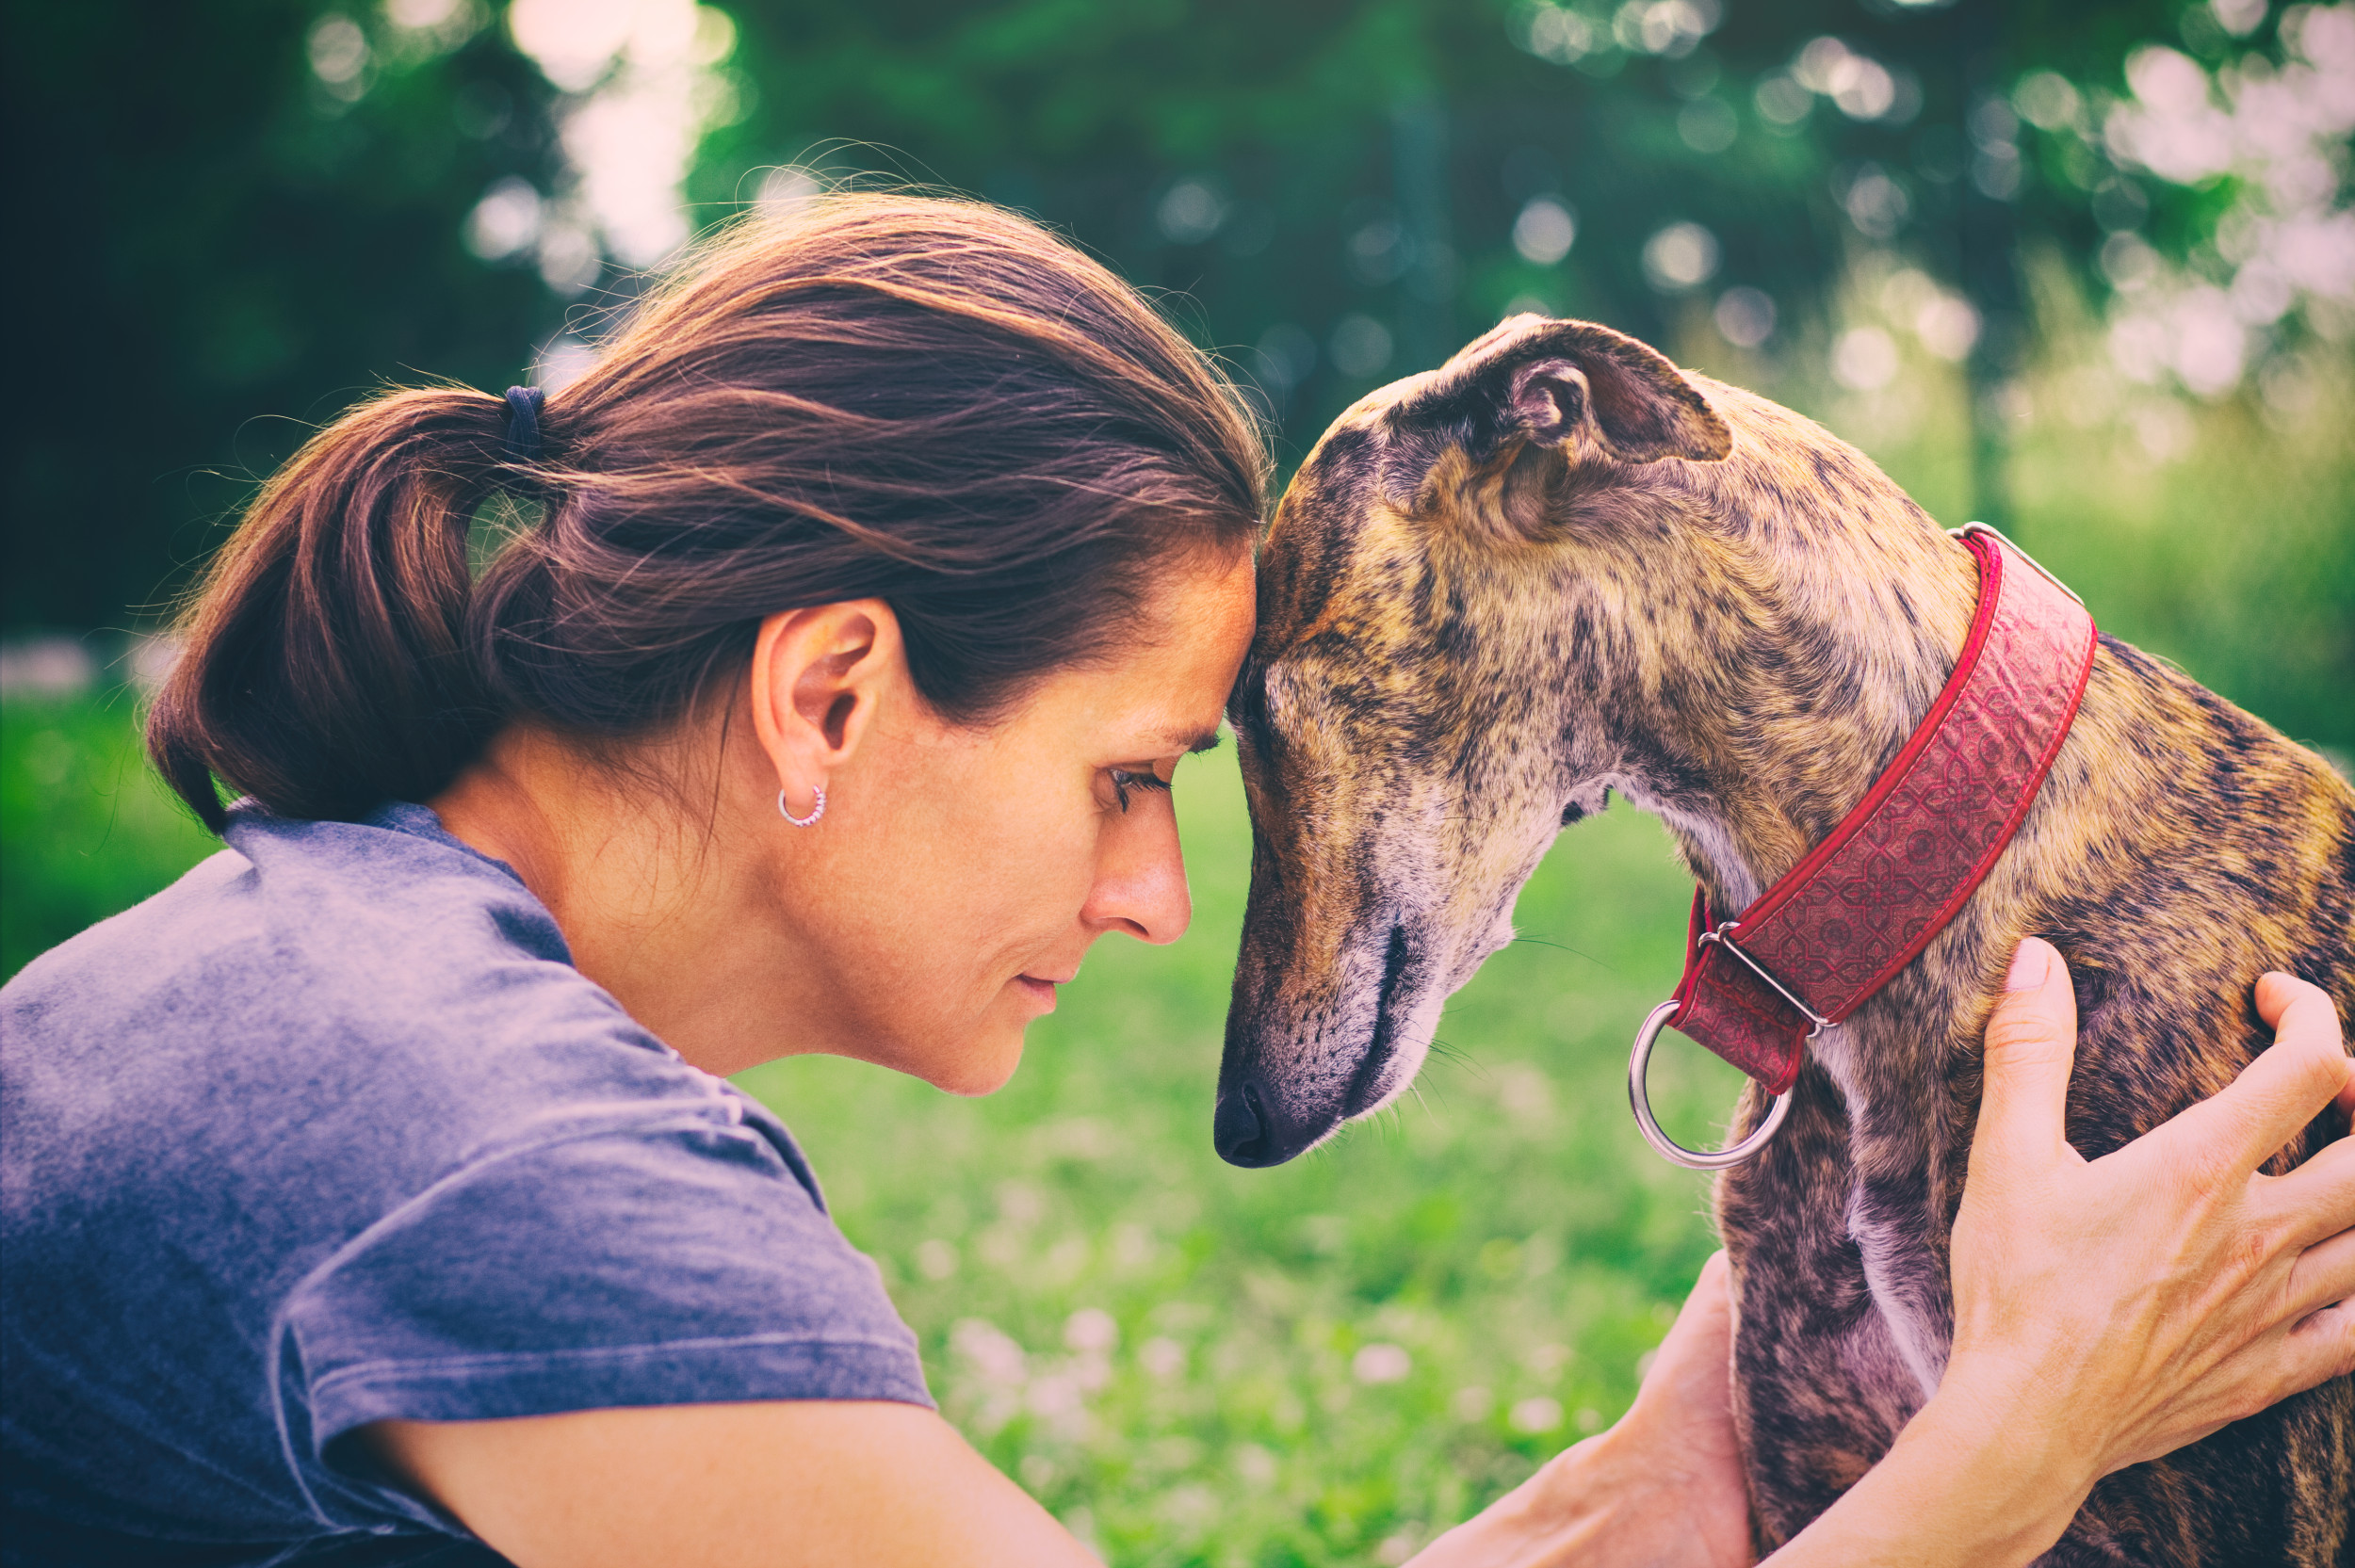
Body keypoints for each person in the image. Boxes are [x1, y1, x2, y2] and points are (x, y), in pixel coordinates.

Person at [2, 194, 2348, 1568]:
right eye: (1137, 774)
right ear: (827, 694)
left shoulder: (355, 992)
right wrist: (2008, 1441)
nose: (1152, 896)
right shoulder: (507, 1175)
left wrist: (1626, 1486)